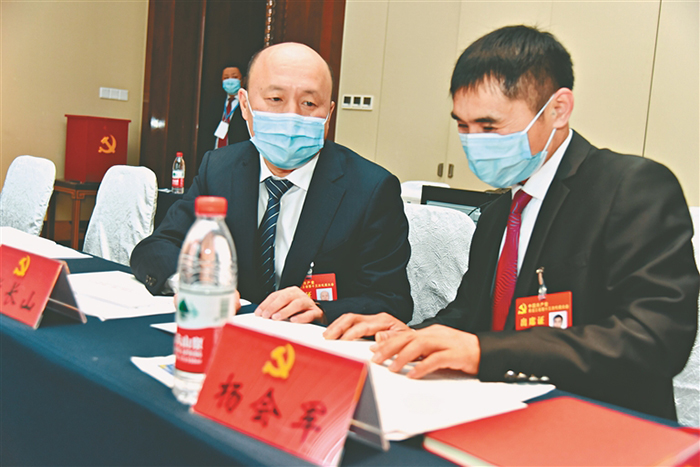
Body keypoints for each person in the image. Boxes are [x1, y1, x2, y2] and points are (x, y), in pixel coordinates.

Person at [324, 25, 698, 420]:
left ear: (558, 109)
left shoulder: (630, 188)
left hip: (604, 421)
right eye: (463, 126)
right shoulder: (499, 211)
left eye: (489, 126)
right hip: (501, 411)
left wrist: (486, 352)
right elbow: (470, 316)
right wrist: (409, 335)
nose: (473, 142)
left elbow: (655, 338)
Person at [131, 42, 412, 326]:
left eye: (309, 103)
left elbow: (392, 300)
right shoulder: (219, 169)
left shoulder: (372, 189)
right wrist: (191, 282)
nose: (292, 116)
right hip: (228, 329)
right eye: (275, 99)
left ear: (329, 114)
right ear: (245, 105)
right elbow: (157, 247)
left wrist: (322, 310)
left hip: (311, 342)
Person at [215, 65, 249, 149]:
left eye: (235, 77)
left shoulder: (248, 103)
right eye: (226, 78)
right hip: (216, 153)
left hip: (238, 152)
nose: (230, 81)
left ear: (243, 80)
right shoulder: (215, 103)